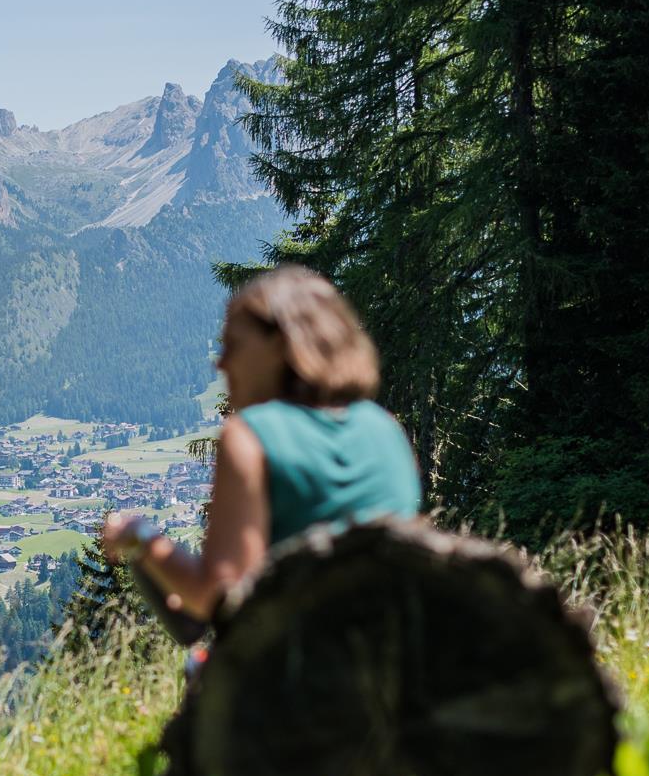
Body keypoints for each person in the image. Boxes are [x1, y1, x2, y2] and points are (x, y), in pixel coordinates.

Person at [101, 266, 421, 626]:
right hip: (392, 668)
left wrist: (141, 538)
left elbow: (218, 597)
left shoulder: (250, 436)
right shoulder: (387, 430)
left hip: (295, 670)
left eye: (233, 345)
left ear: (282, 346)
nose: (220, 362)